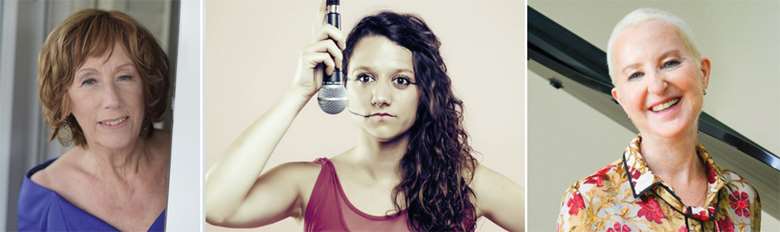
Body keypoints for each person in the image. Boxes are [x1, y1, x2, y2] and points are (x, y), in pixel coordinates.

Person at [205, 7, 523, 232]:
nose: (379, 96)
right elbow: (213, 205)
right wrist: (298, 92)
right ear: (342, 82)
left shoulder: (464, 182)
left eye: (400, 81)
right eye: (365, 77)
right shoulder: (308, 184)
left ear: (425, 91)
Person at [556, 8, 760, 232]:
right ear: (621, 99)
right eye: (635, 75)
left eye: (670, 63)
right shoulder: (588, 201)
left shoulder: (742, 197)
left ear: (703, 73)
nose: (656, 86)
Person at [18, 9, 171, 231]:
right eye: (89, 81)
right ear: (64, 99)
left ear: (146, 87)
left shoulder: (186, 157)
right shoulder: (46, 197)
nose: (112, 100)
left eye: (125, 77)